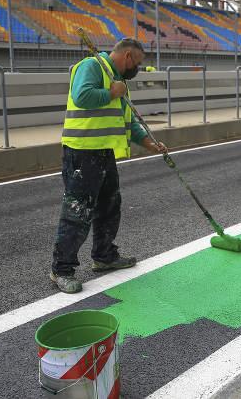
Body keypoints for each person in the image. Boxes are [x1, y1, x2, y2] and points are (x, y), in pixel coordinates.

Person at [51, 38, 167, 294]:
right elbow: (81, 96)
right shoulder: (91, 67)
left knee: (109, 206)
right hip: (81, 153)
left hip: (104, 153)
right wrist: (110, 92)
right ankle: (61, 269)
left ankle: (104, 256)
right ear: (127, 56)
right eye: (136, 63)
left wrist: (149, 143)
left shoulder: (119, 81)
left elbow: (128, 120)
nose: (136, 68)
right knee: (77, 212)